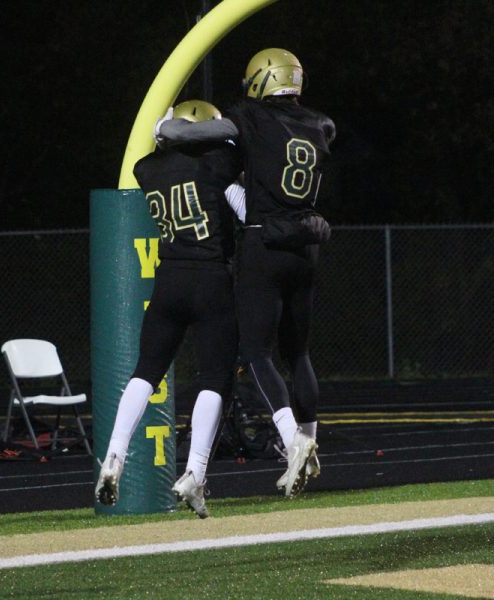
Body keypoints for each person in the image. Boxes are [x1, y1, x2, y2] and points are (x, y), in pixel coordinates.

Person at [158, 48, 335, 497]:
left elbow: (195, 132)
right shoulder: (320, 124)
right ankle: (311, 442)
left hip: (265, 242)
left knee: (255, 351)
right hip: (307, 244)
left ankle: (293, 438)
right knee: (300, 353)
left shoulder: (251, 117)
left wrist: (164, 127)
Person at [95, 100, 244, 518]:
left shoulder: (148, 168)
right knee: (214, 377)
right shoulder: (220, 163)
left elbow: (159, 152)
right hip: (211, 277)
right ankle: (195, 471)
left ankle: (114, 455)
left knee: (145, 370)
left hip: (169, 279)